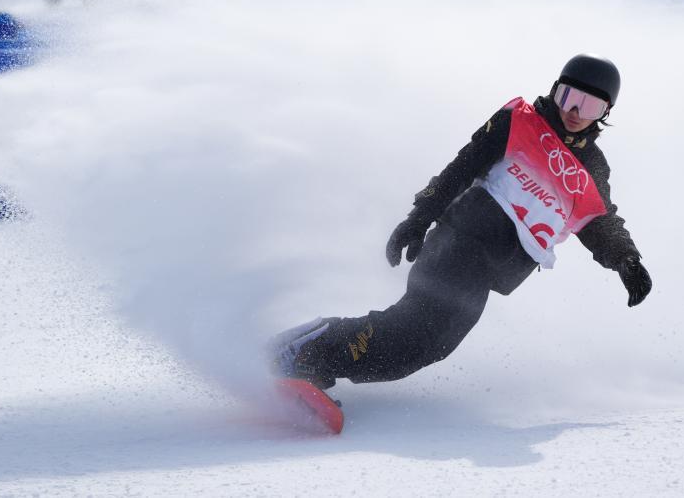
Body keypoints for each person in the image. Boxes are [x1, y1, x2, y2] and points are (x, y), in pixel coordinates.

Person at [271, 54, 652, 390]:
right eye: (569, 97)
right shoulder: (520, 123)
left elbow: (600, 220)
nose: (575, 112)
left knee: (427, 347)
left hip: (489, 271)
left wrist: (626, 259)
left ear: (604, 113)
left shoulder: (591, 166)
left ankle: (315, 356)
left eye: (590, 106)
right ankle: (308, 352)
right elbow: (461, 168)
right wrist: (418, 218)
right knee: (414, 331)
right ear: (555, 91)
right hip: (460, 242)